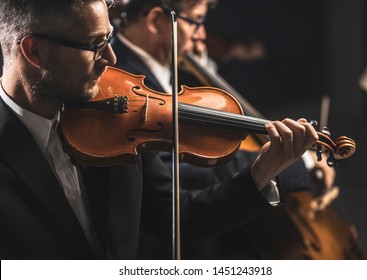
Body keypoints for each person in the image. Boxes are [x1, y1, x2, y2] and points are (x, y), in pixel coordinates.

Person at [0, 0, 318, 260]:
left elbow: (175, 220)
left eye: (108, 39)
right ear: (34, 51)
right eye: (95, 45)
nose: (110, 59)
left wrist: (261, 172)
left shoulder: (119, 119)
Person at [110, 0, 338, 259]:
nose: (203, 34)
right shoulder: (125, 90)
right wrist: (296, 162)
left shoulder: (168, 72)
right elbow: (185, 172)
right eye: (196, 21)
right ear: (154, 21)